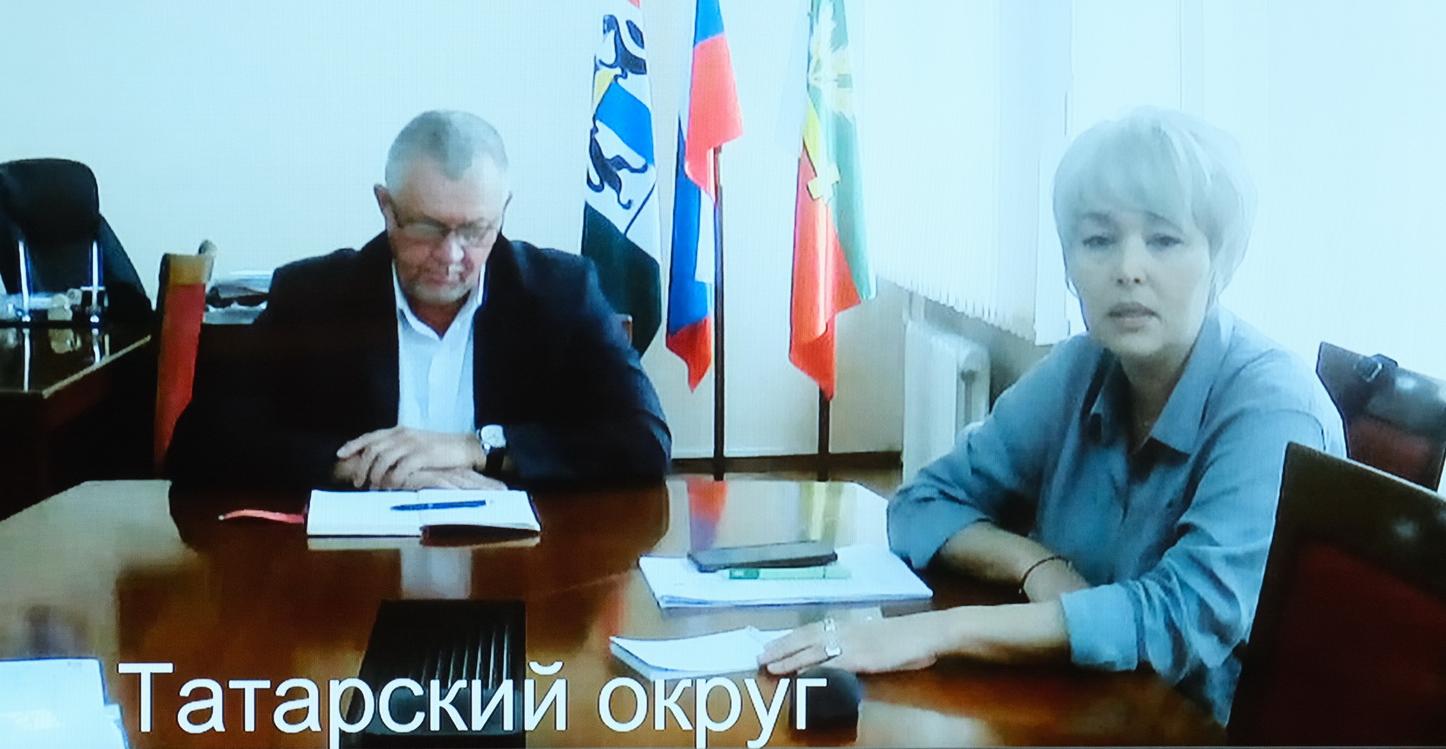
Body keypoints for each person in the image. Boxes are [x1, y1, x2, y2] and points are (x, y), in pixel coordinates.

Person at [759, 107, 1343, 723]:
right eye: (1098, 240)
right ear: (1068, 265)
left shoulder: (1275, 408)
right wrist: (1036, 565)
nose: (1128, 269)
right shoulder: (1082, 365)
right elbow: (922, 504)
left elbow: (1178, 619)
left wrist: (939, 632)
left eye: (1165, 240)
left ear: (1220, 260)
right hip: (1081, 706)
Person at [167, 109, 671, 490]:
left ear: (502, 211)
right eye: (428, 227)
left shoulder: (560, 292)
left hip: (519, 568)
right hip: (352, 574)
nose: (451, 255)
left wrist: (478, 449)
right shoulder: (316, 296)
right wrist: (363, 466)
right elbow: (201, 442)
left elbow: (645, 440)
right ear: (386, 207)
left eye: (476, 230)